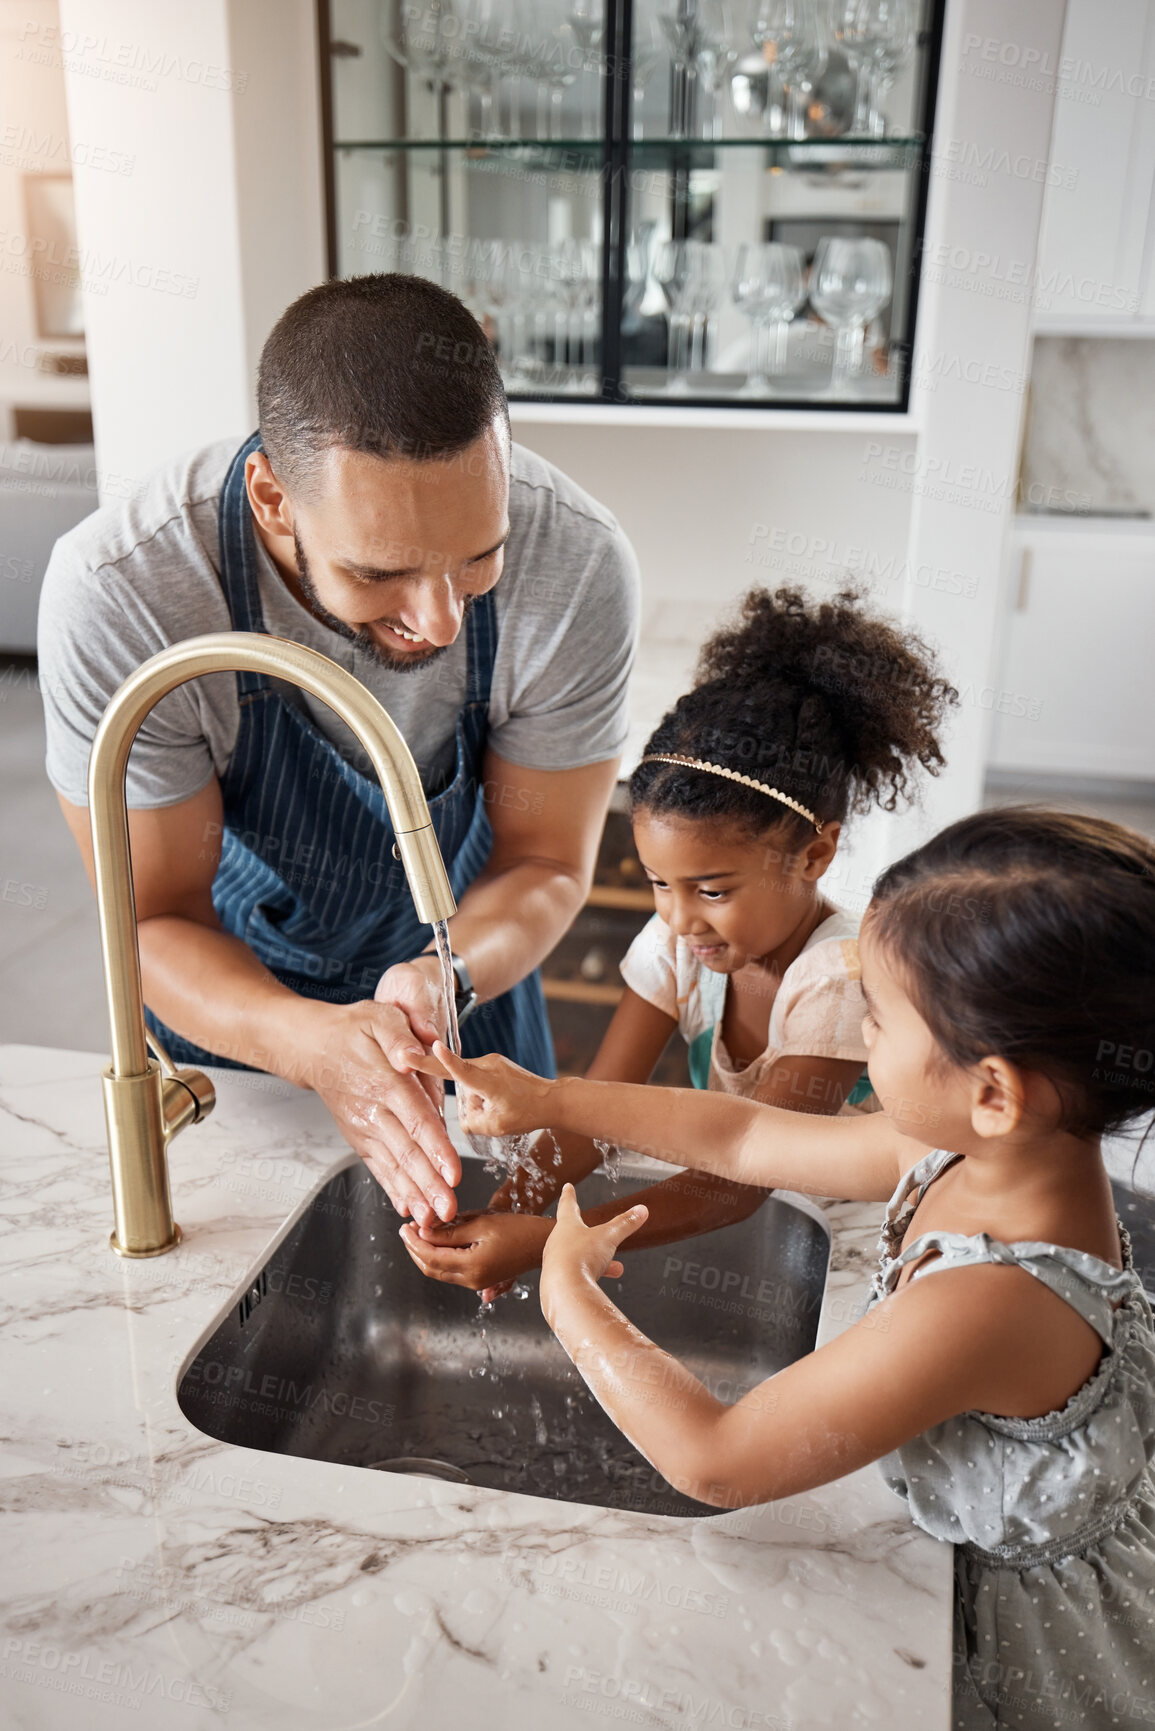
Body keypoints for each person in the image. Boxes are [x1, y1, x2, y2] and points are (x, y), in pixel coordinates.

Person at [422, 808, 1155, 1729]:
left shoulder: (991, 1297)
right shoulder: (989, 1151)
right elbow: (747, 1131)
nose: (863, 1039)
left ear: (992, 1090)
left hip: (1025, 1647)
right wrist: (551, 1096)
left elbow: (716, 1460)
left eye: (878, 1023)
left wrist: (568, 1290)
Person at [37, 274, 639, 1229]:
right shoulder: (126, 591)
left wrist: (449, 974)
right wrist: (311, 1042)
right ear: (273, 499)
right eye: (381, 571)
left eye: (477, 557)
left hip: (465, 1002)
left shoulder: (577, 565)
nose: (440, 619)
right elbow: (150, 921)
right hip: (233, 1013)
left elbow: (546, 862)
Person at [401, 585, 956, 1297]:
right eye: (659, 883)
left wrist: (552, 1241)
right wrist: (508, 1210)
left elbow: (742, 1178)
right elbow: (594, 1107)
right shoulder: (679, 948)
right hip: (771, 1233)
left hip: (860, 1258)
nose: (679, 916)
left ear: (814, 856)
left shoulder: (837, 978)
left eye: (712, 889)